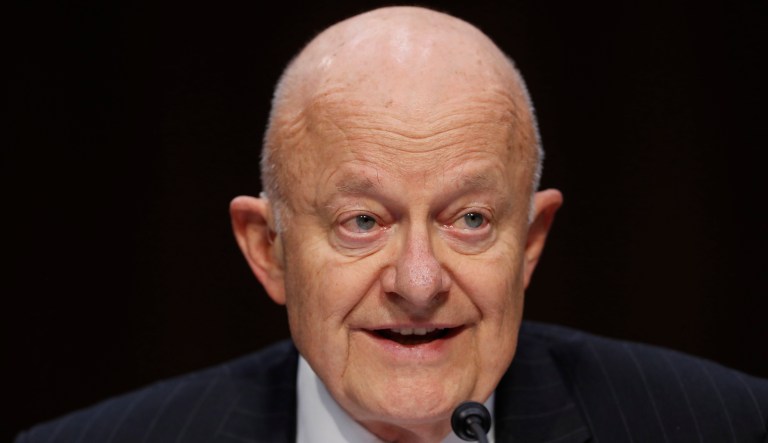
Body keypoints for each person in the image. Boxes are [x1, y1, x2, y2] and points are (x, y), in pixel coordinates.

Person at [15, 6, 768, 443]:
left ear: (531, 244)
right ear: (269, 251)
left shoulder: (723, 425)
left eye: (469, 218)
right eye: (362, 220)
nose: (418, 282)